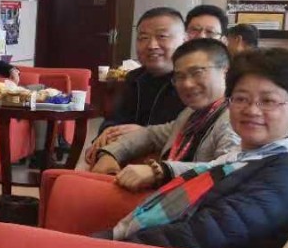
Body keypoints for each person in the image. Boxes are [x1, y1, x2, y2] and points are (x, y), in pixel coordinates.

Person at [101, 48, 288, 248]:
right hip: (142, 244)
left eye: (268, 101)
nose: (252, 110)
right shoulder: (239, 158)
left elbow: (204, 235)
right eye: (241, 99)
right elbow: (154, 134)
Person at [91, 38, 240, 189]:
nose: (187, 84)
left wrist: (162, 171)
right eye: (180, 76)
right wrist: (110, 153)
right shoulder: (190, 113)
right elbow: (150, 135)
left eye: (197, 72)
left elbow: (229, 170)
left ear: (225, 72)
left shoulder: (235, 120)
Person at [86, 7, 187, 164]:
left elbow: (188, 134)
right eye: (143, 38)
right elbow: (116, 118)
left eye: (162, 36)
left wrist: (143, 134)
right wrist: (107, 132)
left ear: (185, 40)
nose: (152, 45)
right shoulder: (135, 78)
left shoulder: (190, 83)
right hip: (125, 153)